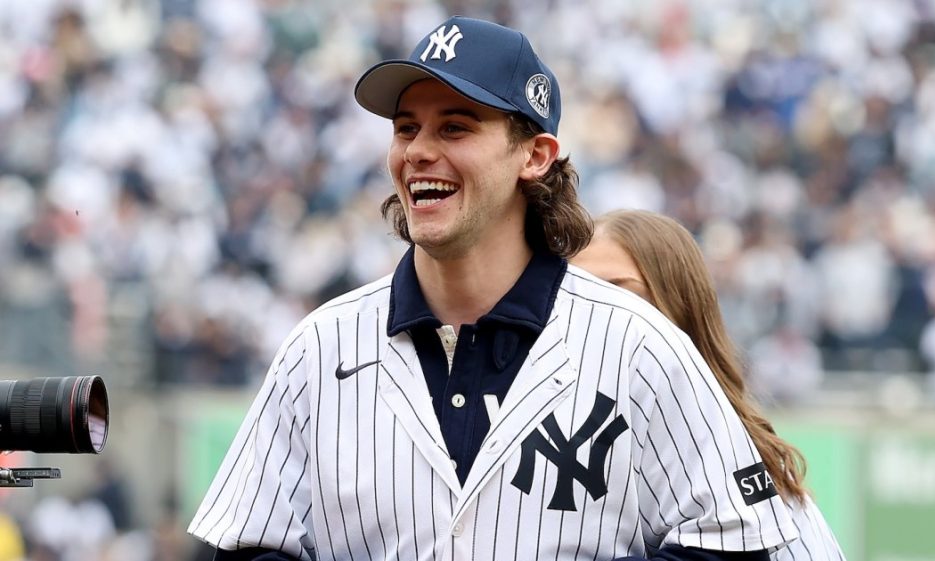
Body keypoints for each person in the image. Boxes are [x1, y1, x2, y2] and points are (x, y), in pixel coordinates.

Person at [188, 16, 798, 561]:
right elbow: (252, 546)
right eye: (406, 128)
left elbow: (733, 544)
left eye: (455, 127)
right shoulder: (318, 350)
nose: (419, 152)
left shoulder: (641, 346)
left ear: (534, 155)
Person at [571, 209, 846, 560]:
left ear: (678, 304)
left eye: (617, 292)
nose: (593, 310)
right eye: (577, 294)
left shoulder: (753, 474)